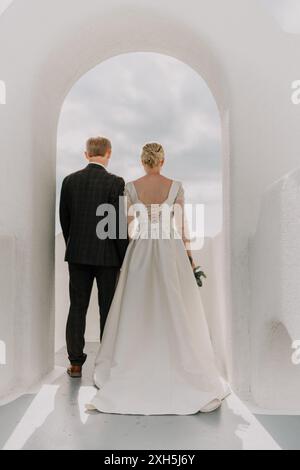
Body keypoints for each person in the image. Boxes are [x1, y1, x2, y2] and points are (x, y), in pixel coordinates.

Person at [87, 143, 229, 414]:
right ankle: (176, 360)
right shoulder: (175, 186)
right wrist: (189, 258)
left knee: (138, 305)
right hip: (169, 248)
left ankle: (135, 359)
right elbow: (182, 225)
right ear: (162, 161)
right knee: (174, 303)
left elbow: (124, 225)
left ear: (143, 162)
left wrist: (136, 243)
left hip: (141, 248)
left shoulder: (130, 187)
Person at [59, 136, 128, 378]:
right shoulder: (115, 182)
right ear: (109, 153)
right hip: (108, 257)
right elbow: (118, 225)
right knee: (107, 309)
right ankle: (105, 363)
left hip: (77, 255)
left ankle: (75, 364)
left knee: (77, 307)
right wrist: (124, 255)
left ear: (86, 154)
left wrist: (74, 245)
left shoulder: (69, 181)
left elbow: (64, 220)